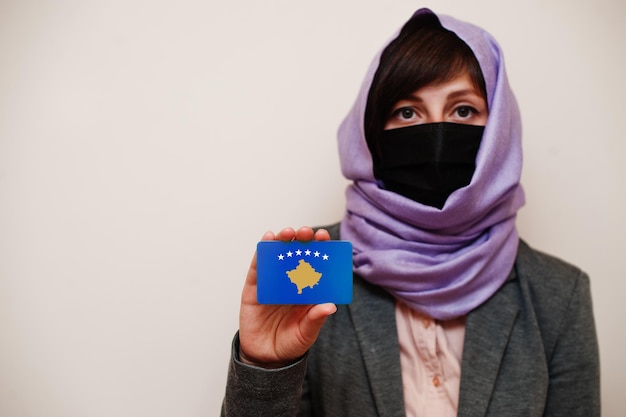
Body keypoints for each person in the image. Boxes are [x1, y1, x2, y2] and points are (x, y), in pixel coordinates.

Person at [221, 8, 600, 417]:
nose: (436, 132)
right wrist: (265, 367)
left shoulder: (559, 296)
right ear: (371, 133)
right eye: (407, 112)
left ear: (499, 132)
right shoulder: (310, 267)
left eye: (463, 110)